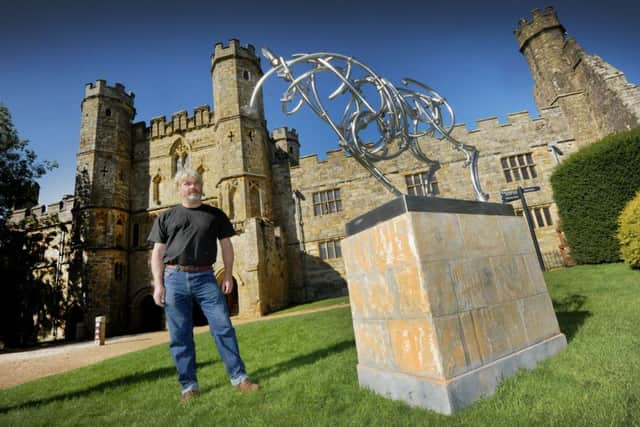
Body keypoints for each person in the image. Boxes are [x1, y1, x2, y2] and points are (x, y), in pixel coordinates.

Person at [148, 168, 259, 402]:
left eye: (196, 183)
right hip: (173, 278)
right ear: (179, 188)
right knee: (180, 336)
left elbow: (227, 246)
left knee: (223, 328)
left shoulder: (215, 215)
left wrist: (227, 275)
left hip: (206, 278)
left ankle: (239, 378)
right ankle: (189, 386)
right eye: (187, 184)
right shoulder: (166, 217)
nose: (192, 187)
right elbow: (157, 253)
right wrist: (158, 285)